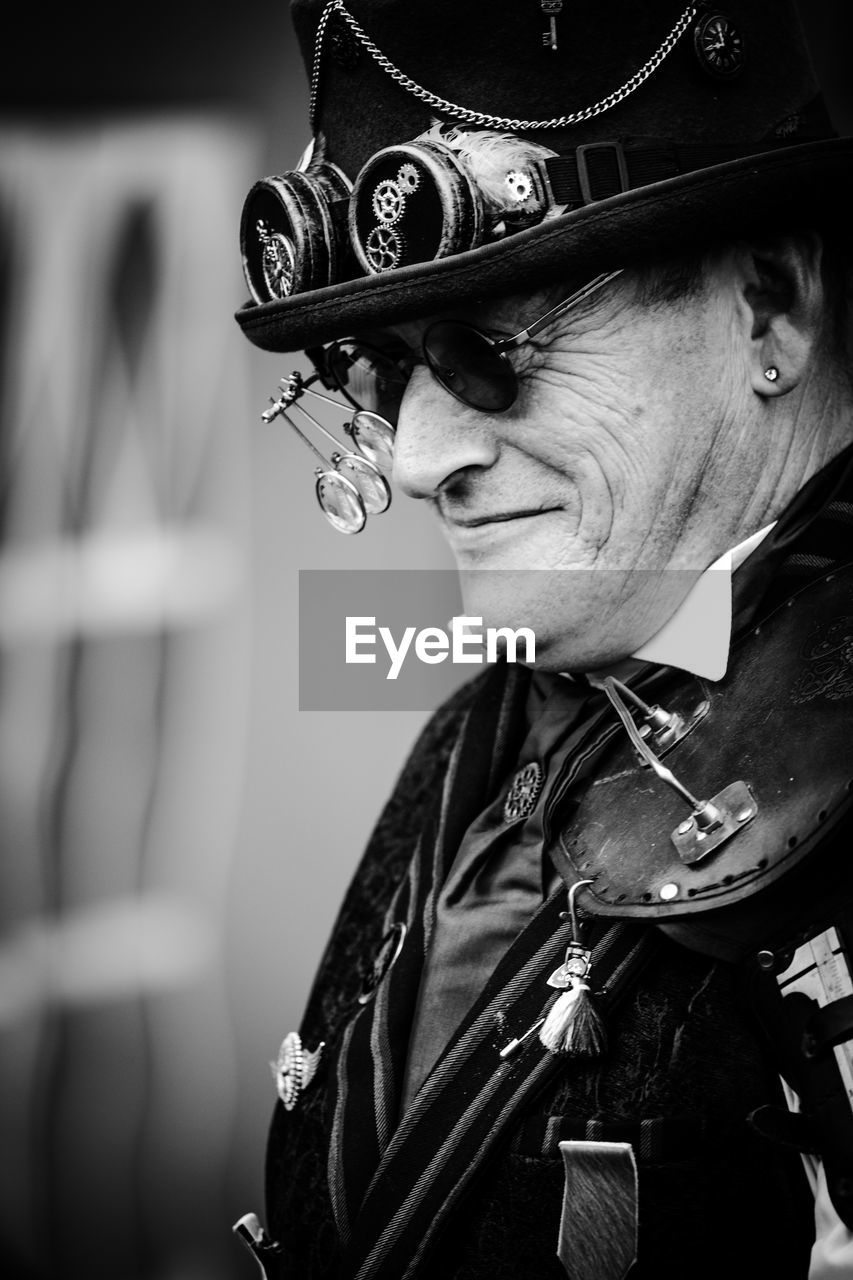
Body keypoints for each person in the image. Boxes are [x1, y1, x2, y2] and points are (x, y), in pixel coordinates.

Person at [232, 1, 853, 1276]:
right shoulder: (498, 707)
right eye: (384, 368)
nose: (415, 460)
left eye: (493, 350)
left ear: (771, 310)